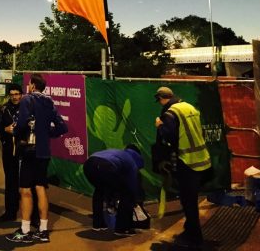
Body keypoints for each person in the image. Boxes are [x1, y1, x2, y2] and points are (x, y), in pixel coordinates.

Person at [6, 73, 68, 244]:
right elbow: (63, 127)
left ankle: (25, 230)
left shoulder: (28, 99)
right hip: (44, 151)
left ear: (32, 85)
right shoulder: (49, 101)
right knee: (40, 188)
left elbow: (22, 122)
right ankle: (43, 230)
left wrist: (15, 131)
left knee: (25, 190)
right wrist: (47, 133)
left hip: (29, 150)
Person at [155, 86, 212, 249]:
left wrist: (160, 126)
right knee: (191, 200)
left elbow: (170, 137)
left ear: (162, 98)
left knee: (189, 202)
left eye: (159, 101)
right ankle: (189, 231)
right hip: (202, 158)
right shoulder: (189, 107)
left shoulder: (170, 113)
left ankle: (194, 238)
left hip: (187, 162)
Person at [82, 145, 144, 236]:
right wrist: (135, 201)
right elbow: (132, 186)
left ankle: (98, 224)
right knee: (127, 194)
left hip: (88, 164)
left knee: (100, 190)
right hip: (106, 165)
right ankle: (122, 229)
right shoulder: (132, 163)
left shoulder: (120, 154)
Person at [0, 83, 22, 222]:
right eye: (12, 95)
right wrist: (5, 129)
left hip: (24, 149)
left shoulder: (27, 108)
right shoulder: (4, 108)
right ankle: (10, 211)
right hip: (9, 149)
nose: (14, 97)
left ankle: (31, 215)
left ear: (21, 94)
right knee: (10, 180)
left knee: (26, 182)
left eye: (17, 94)